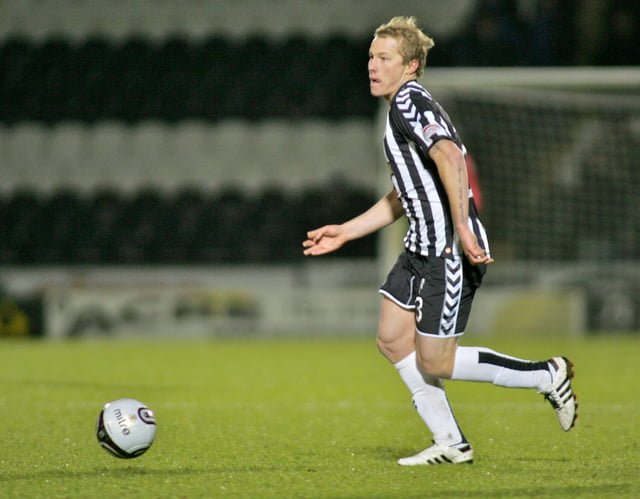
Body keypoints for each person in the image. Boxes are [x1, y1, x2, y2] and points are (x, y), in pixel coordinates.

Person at [302, 16, 577, 466]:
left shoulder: (410, 101)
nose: (372, 65)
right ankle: (451, 442)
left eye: (384, 58)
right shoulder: (397, 110)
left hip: (446, 250)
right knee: (392, 339)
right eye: (371, 56)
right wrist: (346, 231)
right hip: (419, 248)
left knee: (436, 361)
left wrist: (463, 227)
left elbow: (449, 155)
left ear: (410, 66)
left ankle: (547, 376)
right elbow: (404, 193)